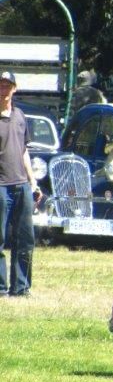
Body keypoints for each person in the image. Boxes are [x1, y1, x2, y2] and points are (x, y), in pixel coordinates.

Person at [0, 71, 41, 296]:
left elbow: (24, 151)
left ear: (14, 89)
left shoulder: (20, 116)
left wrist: (33, 181)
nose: (3, 90)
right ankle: (1, 288)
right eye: (0, 86)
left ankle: (21, 288)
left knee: (25, 238)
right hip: (1, 186)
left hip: (22, 184)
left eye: (7, 86)